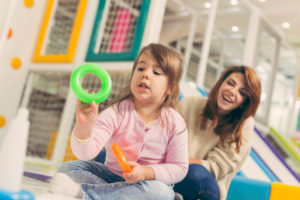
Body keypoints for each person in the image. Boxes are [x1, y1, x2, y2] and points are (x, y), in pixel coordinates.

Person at [49, 43, 189, 200]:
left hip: (150, 183)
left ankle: (85, 193)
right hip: (112, 176)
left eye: (156, 72)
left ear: (170, 87)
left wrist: (145, 172)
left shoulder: (175, 123)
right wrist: (84, 127)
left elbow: (179, 168)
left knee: (160, 192)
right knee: (68, 168)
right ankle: (120, 195)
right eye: (141, 69)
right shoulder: (116, 112)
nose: (145, 74)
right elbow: (85, 153)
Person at [174, 66, 261, 200]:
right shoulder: (189, 104)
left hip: (205, 184)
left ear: (244, 103)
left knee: (194, 173)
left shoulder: (243, 124)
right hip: (172, 172)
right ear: (220, 83)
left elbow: (216, 168)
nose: (232, 91)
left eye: (242, 93)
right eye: (230, 83)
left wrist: (178, 163)